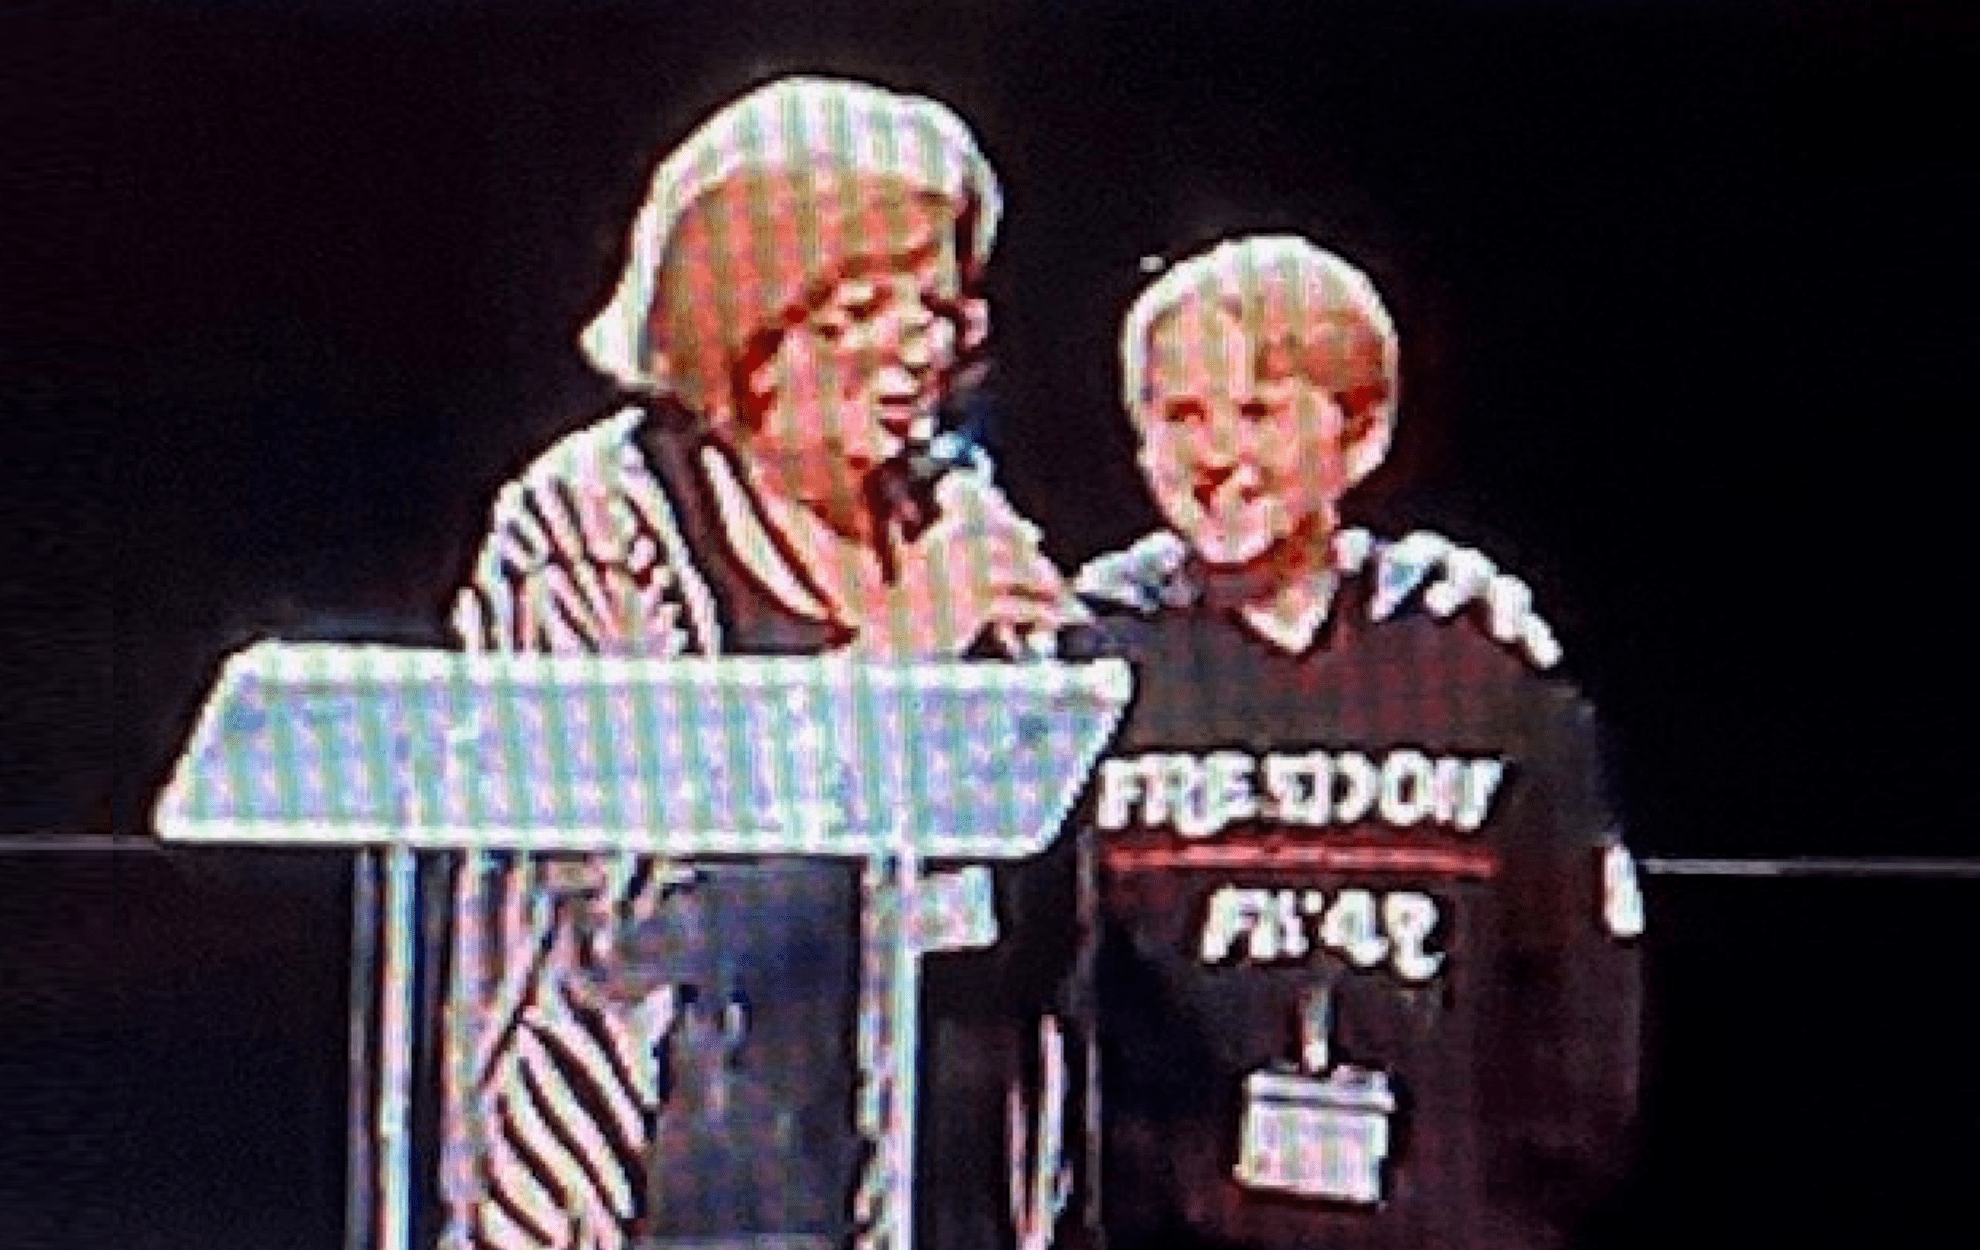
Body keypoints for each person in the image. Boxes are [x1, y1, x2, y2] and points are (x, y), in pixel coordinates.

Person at [438, 77, 1568, 1250]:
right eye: (863, 310)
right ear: (744, 324)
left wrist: (1387, 595)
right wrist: (892, 658)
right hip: (669, 1187)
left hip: (943, 1186)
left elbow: (1101, 723)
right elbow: (622, 902)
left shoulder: (945, 505)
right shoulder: (596, 519)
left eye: (938, 309)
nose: (919, 351)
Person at [1079, 235, 1643, 1250]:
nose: (1217, 455)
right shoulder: (1082, 669)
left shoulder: (1483, 664)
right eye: (1182, 415)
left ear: (1362, 433)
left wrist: (1511, 1212)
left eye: (1259, 412)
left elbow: (1579, 991)